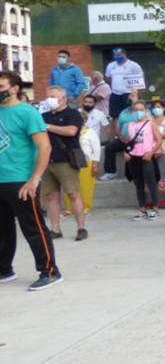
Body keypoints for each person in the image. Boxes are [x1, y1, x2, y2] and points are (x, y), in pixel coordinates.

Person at [0, 70, 62, 291]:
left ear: (15, 88)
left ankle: (50, 271)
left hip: (20, 180)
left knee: (32, 227)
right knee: (3, 228)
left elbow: (44, 146)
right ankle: (4, 269)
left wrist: (34, 179)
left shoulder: (27, 113)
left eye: (1, 86)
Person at [39, 86, 87, 241]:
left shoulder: (72, 114)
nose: (49, 99)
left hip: (66, 160)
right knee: (51, 196)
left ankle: (81, 227)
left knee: (73, 194)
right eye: (48, 96)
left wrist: (48, 127)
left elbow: (71, 131)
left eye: (52, 96)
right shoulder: (43, 115)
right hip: (46, 160)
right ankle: (55, 228)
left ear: (63, 98)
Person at [123, 101, 162, 221]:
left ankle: (155, 208)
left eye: (141, 109)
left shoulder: (150, 124)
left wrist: (151, 152)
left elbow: (159, 140)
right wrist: (125, 152)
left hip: (146, 156)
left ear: (145, 110)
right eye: (136, 110)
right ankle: (142, 208)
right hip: (133, 156)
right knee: (138, 184)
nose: (138, 112)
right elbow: (128, 141)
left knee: (151, 183)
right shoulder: (130, 125)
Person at [73, 94, 108, 214]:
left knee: (85, 186)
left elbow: (96, 149)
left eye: (82, 119)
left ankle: (85, 207)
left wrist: (95, 164)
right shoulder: (70, 131)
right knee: (71, 186)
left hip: (86, 160)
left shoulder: (90, 131)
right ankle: (70, 209)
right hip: (71, 160)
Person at [98, 90, 139, 182]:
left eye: (131, 98)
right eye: (129, 99)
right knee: (109, 148)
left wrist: (135, 99)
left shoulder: (140, 111)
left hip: (136, 141)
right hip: (123, 139)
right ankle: (110, 172)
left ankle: (134, 174)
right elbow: (118, 126)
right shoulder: (123, 112)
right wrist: (121, 137)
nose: (129, 100)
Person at [104, 47, 144, 123]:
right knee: (115, 116)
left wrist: (134, 91)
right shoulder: (110, 66)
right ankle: (117, 134)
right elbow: (108, 78)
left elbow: (141, 79)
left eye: (119, 54)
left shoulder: (133, 65)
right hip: (115, 94)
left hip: (129, 94)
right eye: (115, 55)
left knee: (131, 115)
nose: (117, 56)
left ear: (125, 54)